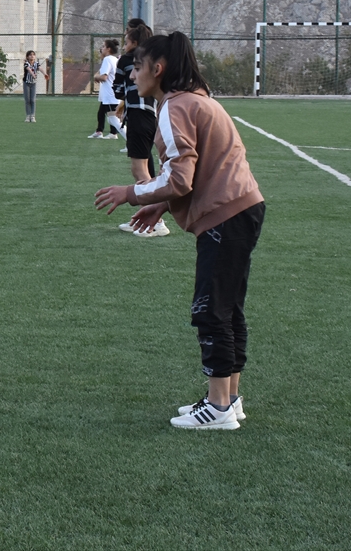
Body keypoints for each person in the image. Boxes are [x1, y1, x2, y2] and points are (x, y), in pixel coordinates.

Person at [95, 32, 265, 430]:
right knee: (228, 308)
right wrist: (161, 204)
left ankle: (219, 409)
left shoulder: (174, 107)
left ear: (159, 69)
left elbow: (181, 178)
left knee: (210, 310)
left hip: (226, 215)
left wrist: (132, 193)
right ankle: (228, 399)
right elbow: (190, 174)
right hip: (242, 209)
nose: (133, 73)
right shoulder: (197, 100)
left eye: (138, 66)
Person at [113, 23, 168, 237]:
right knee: (144, 168)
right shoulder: (153, 59)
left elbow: (118, 89)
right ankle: (147, 219)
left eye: (126, 41)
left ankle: (156, 222)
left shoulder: (127, 60)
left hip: (138, 116)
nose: (124, 45)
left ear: (135, 43)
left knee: (139, 170)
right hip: (150, 116)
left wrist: (123, 95)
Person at [89, 39, 125, 140]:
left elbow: (104, 77)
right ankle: (101, 131)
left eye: (103, 46)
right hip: (112, 94)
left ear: (108, 49)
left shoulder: (107, 59)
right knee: (105, 114)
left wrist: (96, 78)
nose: (102, 48)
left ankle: (125, 138)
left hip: (110, 94)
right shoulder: (114, 59)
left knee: (114, 119)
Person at [22, 50, 42, 122]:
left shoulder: (36, 63)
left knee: (33, 100)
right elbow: (29, 70)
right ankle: (28, 116)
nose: (32, 56)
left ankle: (33, 116)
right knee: (27, 100)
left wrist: (45, 74)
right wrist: (33, 75)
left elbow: (40, 68)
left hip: (33, 83)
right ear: (27, 57)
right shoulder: (26, 63)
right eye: (30, 55)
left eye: (33, 55)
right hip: (26, 83)